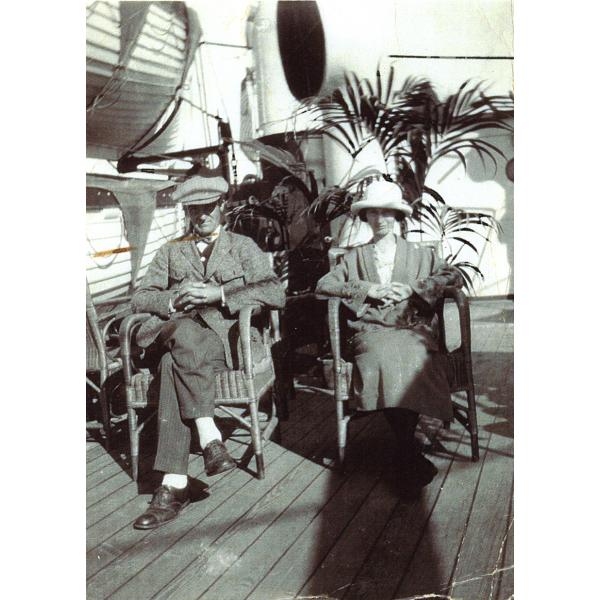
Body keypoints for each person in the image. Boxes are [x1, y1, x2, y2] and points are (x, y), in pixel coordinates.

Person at [131, 175, 286, 529]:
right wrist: (173, 298)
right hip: (178, 331)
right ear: (186, 211)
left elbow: (274, 292)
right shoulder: (171, 250)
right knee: (183, 332)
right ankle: (207, 440)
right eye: (193, 209)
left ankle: (174, 484)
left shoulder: (243, 246)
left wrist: (219, 296)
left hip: (223, 342)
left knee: (172, 362)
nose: (201, 215)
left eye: (208, 207)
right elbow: (141, 297)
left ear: (222, 207)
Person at [315, 179, 463, 487]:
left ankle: (405, 452)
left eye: (387, 213)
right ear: (365, 216)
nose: (380, 219)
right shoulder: (354, 257)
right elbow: (324, 285)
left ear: (398, 217)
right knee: (383, 356)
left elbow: (454, 275)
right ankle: (409, 454)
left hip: (411, 329)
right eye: (373, 212)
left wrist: (413, 288)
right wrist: (367, 290)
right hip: (372, 331)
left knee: (415, 354)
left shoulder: (421, 254)